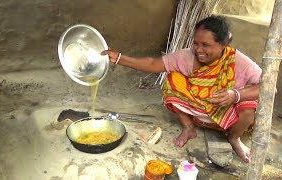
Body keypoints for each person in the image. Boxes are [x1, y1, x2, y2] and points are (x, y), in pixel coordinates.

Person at [101, 15, 261, 163]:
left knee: (249, 104)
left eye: (206, 45)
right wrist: (119, 58)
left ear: (223, 44)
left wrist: (236, 94)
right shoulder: (186, 56)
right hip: (199, 113)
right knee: (172, 80)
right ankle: (189, 128)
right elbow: (152, 64)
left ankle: (234, 138)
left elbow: (267, 88)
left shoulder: (239, 61)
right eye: (196, 43)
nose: (199, 49)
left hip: (226, 114)